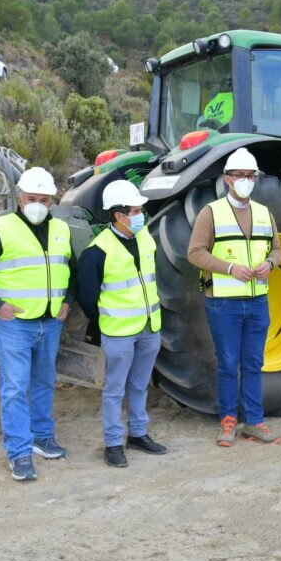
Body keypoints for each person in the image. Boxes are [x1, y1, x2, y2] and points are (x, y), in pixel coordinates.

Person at [0, 167, 76, 482]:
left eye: (44, 199)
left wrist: (68, 300)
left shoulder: (61, 230)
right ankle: (19, 453)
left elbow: (72, 270)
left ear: (52, 199)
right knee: (14, 388)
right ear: (19, 197)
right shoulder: (2, 227)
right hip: (15, 326)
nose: (37, 204)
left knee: (45, 382)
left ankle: (42, 437)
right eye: (31, 198)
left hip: (50, 322)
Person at [187, 147, 281, 446]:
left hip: (257, 302)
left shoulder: (265, 213)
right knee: (229, 363)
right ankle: (228, 421)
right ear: (227, 179)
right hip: (224, 303)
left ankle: (254, 421)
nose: (246, 180)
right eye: (240, 175)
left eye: (250, 176)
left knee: (254, 363)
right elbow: (194, 253)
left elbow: (277, 250)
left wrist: (269, 264)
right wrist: (229, 268)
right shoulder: (211, 213)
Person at [77, 180, 167, 468]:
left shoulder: (146, 239)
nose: (142, 215)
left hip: (149, 326)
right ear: (119, 215)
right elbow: (88, 298)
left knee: (140, 385)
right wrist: (109, 321)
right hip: (118, 333)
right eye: (136, 210)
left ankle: (138, 433)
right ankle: (113, 442)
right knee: (115, 389)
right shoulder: (97, 251)